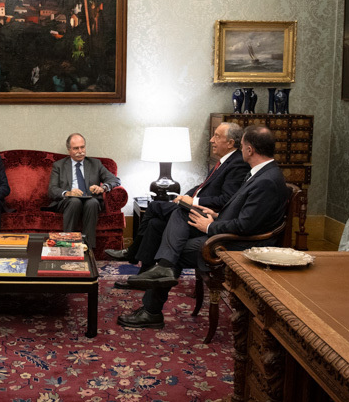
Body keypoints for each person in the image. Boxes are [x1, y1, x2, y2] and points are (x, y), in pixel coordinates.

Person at [117, 125, 289, 329]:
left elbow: (246, 226)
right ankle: (159, 280)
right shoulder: (261, 173)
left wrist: (210, 226)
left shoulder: (266, 180)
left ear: (250, 150)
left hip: (237, 244)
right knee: (183, 212)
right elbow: (243, 213)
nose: (240, 151)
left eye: (242, 146)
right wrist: (216, 215)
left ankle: (152, 309)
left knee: (174, 252)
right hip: (226, 230)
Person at [106, 123, 249, 288]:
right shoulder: (224, 161)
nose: (211, 140)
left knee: (154, 208)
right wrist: (186, 196)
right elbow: (203, 186)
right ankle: (143, 277)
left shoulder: (237, 163)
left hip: (204, 215)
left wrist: (193, 201)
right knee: (154, 224)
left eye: (217, 136)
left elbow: (227, 199)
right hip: (195, 209)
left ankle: (132, 253)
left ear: (230, 143)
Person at [47, 133, 120, 250]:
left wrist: (103, 187)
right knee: (74, 201)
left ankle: (88, 249)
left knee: (93, 203)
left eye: (82, 147)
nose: (80, 151)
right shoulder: (59, 165)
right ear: (69, 150)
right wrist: (68, 193)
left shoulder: (95, 164)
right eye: (76, 148)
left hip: (91, 199)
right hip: (68, 201)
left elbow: (114, 179)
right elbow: (52, 190)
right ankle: (68, 247)